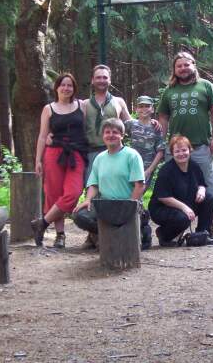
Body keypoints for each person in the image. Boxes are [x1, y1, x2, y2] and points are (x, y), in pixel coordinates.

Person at [157, 51, 213, 243]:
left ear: (194, 65)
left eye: (186, 64)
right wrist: (161, 143)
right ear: (174, 69)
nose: (183, 68)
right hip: (176, 149)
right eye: (179, 66)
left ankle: (209, 228)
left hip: (201, 146)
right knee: (176, 188)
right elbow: (163, 117)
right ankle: (176, 229)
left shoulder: (206, 86)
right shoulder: (169, 91)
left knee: (208, 187)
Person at [31, 73, 88, 248]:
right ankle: (60, 235)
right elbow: (42, 136)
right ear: (56, 88)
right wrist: (38, 160)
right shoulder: (49, 109)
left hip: (76, 154)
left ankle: (42, 223)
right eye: (63, 85)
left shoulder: (82, 105)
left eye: (69, 85)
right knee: (54, 194)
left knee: (73, 192)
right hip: (54, 154)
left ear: (74, 88)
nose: (66, 88)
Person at [72, 118, 145, 246]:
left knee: (131, 240)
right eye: (107, 132)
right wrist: (87, 200)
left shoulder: (132, 155)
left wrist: (130, 206)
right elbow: (94, 184)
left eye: (115, 132)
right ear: (103, 136)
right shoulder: (100, 158)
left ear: (122, 135)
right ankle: (105, 235)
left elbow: (139, 185)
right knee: (80, 215)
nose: (111, 135)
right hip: (105, 205)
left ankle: (124, 235)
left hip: (127, 203)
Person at [149, 135, 213, 246]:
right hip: (163, 208)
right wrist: (185, 208)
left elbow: (202, 184)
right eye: (177, 151)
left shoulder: (194, 166)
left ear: (190, 151)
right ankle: (164, 234)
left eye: (184, 150)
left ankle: (202, 234)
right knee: (183, 219)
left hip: (185, 203)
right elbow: (163, 197)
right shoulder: (166, 171)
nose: (181, 154)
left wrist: (201, 190)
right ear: (172, 153)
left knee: (209, 198)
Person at [124, 95, 165, 194]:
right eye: (141, 106)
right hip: (131, 165)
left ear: (152, 109)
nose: (144, 109)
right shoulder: (130, 124)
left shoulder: (156, 128)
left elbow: (160, 151)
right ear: (136, 109)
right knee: (127, 192)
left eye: (147, 106)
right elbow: (117, 133)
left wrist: (149, 170)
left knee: (140, 192)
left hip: (147, 167)